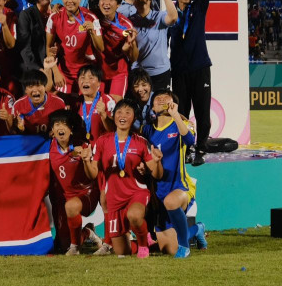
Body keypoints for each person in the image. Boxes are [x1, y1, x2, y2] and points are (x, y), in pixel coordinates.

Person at [85, 98, 163, 258]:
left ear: (134, 117)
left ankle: (143, 244)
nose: (123, 116)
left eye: (128, 112)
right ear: (113, 116)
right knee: (121, 252)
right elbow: (93, 173)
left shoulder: (141, 142)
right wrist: (86, 161)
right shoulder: (102, 142)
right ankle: (145, 241)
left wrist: (156, 163)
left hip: (136, 193)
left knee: (134, 215)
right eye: (119, 112)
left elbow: (156, 174)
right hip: (114, 199)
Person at [143, 89, 207, 258]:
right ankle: (197, 229)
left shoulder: (181, 124)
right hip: (158, 191)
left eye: (166, 97)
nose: (162, 99)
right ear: (152, 107)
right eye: (157, 98)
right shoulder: (148, 130)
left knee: (171, 201)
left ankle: (185, 248)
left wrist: (176, 114)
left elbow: (189, 141)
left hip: (180, 188)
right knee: (169, 249)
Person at [169, 0, 218, 166]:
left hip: (200, 68)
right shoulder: (169, 14)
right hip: (179, 70)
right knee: (182, 112)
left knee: (202, 112)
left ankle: (201, 148)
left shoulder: (198, 7)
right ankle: (187, 148)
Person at [48, 110, 102, 255]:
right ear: (52, 131)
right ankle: (88, 233)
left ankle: (75, 247)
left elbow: (92, 176)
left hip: (86, 194)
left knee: (71, 205)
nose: (61, 128)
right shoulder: (48, 147)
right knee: (63, 244)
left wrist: (85, 160)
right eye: (57, 124)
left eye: (65, 125)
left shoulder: (83, 147)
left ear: (71, 130)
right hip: (65, 198)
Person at [46, 0, 103, 94]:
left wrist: (92, 31)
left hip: (86, 72)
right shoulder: (54, 17)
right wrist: (56, 72)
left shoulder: (91, 18)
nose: (69, 1)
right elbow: (49, 47)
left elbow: (100, 48)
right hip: (64, 72)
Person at [130, 0, 178, 91]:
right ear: (133, 1)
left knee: (161, 106)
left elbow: (173, 17)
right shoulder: (129, 22)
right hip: (138, 73)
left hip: (160, 73)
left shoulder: (159, 16)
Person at [95, 0, 138, 100]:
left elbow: (133, 58)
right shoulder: (93, 17)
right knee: (97, 108)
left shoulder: (126, 25)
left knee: (114, 107)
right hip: (98, 72)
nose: (106, 3)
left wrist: (130, 45)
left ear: (118, 5)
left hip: (118, 72)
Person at [17, 0, 55, 72]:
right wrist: (38, 69)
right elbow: (25, 47)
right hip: (35, 69)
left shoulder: (59, 11)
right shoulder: (26, 15)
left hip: (57, 68)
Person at [12, 70, 66, 135]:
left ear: (45, 87)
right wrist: (21, 129)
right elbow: (15, 133)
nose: (35, 90)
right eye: (31, 86)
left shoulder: (58, 103)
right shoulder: (18, 105)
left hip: (52, 142)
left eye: (38, 85)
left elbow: (64, 128)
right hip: (30, 142)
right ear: (25, 90)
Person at [72, 65, 115, 141]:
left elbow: (114, 130)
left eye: (91, 78)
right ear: (78, 81)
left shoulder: (107, 100)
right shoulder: (76, 102)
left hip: (103, 148)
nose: (86, 81)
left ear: (99, 83)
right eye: (82, 77)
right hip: (83, 149)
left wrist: (103, 115)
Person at [127, 68, 154, 132]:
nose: (140, 89)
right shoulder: (131, 104)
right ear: (131, 89)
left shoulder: (159, 101)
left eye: (144, 85)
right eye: (136, 86)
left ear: (150, 85)